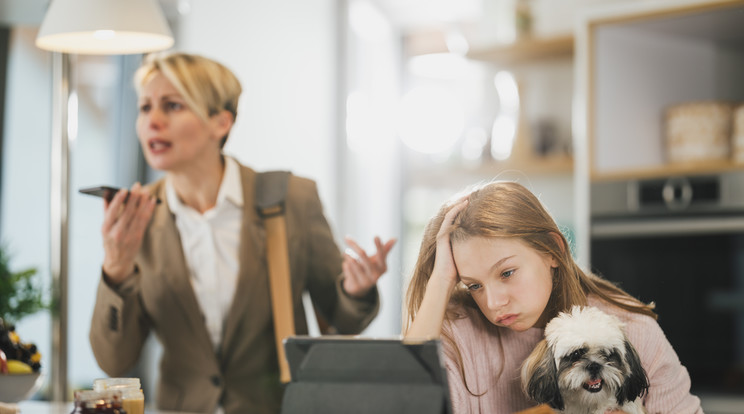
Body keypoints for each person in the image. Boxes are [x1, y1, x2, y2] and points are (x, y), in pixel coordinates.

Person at [89, 51, 396, 414]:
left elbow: (343, 320)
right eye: (144, 107)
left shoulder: (291, 198)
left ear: (221, 122)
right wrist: (116, 269)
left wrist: (356, 290)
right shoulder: (135, 217)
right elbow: (113, 361)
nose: (152, 121)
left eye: (172, 106)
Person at [404, 180, 702, 413]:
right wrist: (441, 280)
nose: (493, 303)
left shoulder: (633, 330)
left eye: (507, 273)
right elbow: (404, 402)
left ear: (552, 250)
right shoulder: (455, 333)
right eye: (473, 286)